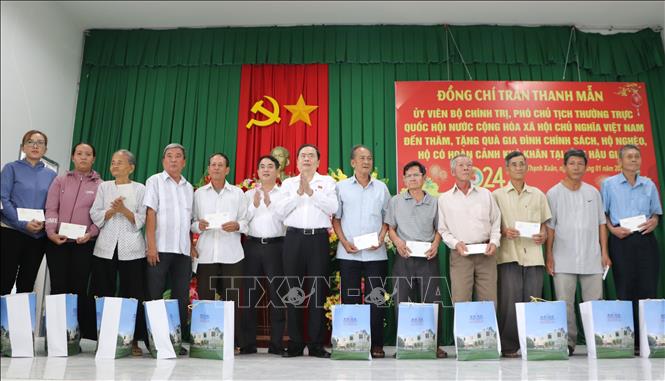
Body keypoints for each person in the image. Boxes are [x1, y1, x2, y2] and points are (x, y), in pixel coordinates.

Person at [275, 144, 338, 358]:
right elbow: (280, 211)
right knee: (293, 290)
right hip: (293, 238)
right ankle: (295, 341)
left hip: (318, 238)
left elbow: (333, 208)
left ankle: (316, 343)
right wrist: (298, 194)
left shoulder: (327, 182)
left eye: (312, 156)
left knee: (317, 291)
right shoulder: (288, 183)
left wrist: (311, 192)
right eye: (303, 155)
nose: (307, 159)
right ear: (297, 160)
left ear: (318, 162)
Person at [546, 148, 610, 356]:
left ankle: (596, 340)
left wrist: (605, 253)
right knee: (565, 303)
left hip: (592, 256)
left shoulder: (593, 192)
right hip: (562, 256)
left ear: (585, 167)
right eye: (571, 163)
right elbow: (550, 227)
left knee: (594, 302)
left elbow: (602, 224)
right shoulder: (553, 193)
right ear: (564, 166)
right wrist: (549, 255)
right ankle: (569, 342)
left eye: (580, 164)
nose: (576, 167)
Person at [600, 144, 661, 356]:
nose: (634, 160)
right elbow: (603, 215)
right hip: (621, 240)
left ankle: (649, 340)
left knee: (648, 288)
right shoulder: (609, 185)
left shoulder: (649, 184)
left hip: (645, 240)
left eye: (637, 156)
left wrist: (654, 221)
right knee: (625, 289)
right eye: (629, 157)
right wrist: (612, 230)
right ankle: (630, 340)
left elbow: (655, 214)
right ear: (620, 161)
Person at [332, 145, 391, 358]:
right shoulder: (342, 187)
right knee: (350, 298)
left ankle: (376, 344)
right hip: (349, 253)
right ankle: (352, 342)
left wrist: (382, 237)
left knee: (376, 299)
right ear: (352, 162)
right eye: (362, 158)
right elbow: (336, 219)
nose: (366, 161)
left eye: (369, 158)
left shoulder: (381, 189)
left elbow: (388, 218)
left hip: (376, 254)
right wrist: (344, 242)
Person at [492, 151, 551, 358]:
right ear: (507, 169)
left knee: (533, 300)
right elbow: (492, 225)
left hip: (534, 255)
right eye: (514, 165)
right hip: (508, 255)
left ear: (527, 168)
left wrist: (543, 235)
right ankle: (509, 346)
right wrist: (503, 231)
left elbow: (544, 225)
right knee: (509, 302)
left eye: (522, 164)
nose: (518, 167)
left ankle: (533, 342)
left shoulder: (538, 194)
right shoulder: (497, 195)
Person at [89, 149, 147, 356]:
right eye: (113, 162)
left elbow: (143, 218)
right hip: (105, 247)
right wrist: (111, 211)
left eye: (120, 162)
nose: (115, 166)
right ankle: (103, 338)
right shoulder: (104, 187)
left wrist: (123, 210)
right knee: (103, 291)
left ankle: (132, 340)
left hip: (132, 248)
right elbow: (95, 213)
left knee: (133, 294)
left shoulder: (140, 189)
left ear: (131, 167)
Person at [386, 160, 447, 359]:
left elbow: (440, 229)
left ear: (424, 178)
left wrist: (436, 245)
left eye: (416, 175)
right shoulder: (395, 201)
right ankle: (404, 344)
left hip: (428, 258)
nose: (412, 179)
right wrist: (397, 243)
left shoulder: (435, 202)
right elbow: (390, 228)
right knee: (402, 302)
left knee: (432, 302)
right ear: (404, 179)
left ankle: (433, 344)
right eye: (409, 176)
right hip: (403, 257)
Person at [191, 153, 248, 351]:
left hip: (232, 254)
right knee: (205, 299)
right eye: (213, 164)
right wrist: (198, 226)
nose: (216, 168)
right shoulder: (198, 194)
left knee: (232, 301)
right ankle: (205, 343)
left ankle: (232, 343)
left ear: (227, 170)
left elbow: (246, 222)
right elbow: (190, 223)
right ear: (208, 169)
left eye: (220, 165)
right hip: (206, 254)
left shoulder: (238, 193)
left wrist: (237, 225)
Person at [45, 142, 102, 340]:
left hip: (83, 244)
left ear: (93, 158)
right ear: (73, 157)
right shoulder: (60, 181)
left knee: (78, 288)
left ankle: (72, 337)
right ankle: (54, 337)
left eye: (88, 154)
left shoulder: (100, 185)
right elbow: (51, 208)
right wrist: (51, 231)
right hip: (57, 242)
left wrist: (91, 234)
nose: (83, 157)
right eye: (79, 153)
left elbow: (100, 217)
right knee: (58, 287)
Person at [143, 143, 194, 355]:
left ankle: (175, 341)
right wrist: (151, 246)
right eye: (169, 156)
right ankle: (154, 341)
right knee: (154, 295)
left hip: (182, 251)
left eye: (178, 156)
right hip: (160, 248)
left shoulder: (189, 187)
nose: (174, 160)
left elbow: (189, 220)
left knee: (181, 297)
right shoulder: (154, 181)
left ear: (184, 162)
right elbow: (151, 213)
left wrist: (191, 246)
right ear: (164, 161)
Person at [437, 154, 501, 305]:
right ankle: (463, 330)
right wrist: (455, 244)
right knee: (461, 301)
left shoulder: (486, 194)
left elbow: (496, 221)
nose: (466, 168)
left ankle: (488, 330)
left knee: (489, 300)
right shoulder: (444, 199)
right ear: (452, 172)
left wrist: (494, 242)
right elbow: (443, 230)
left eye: (469, 165)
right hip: (461, 254)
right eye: (461, 165)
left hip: (486, 253)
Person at [241, 155, 287, 355]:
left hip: (277, 246)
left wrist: (270, 204)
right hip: (252, 246)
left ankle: (276, 344)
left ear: (277, 171)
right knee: (249, 295)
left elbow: (286, 219)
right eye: (262, 167)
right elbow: (242, 222)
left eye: (270, 166)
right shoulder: (248, 194)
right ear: (257, 172)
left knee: (277, 295)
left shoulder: (284, 193)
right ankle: (248, 343)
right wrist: (254, 204)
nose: (266, 170)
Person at [1, 130, 57, 295]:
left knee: (27, 283)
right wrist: (23, 224)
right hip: (11, 232)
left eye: (40, 143)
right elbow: (3, 200)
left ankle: (20, 320)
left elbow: (52, 205)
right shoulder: (10, 168)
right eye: (30, 142)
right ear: (23, 147)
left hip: (37, 236)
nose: (35, 145)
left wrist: (45, 224)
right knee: (4, 279)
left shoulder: (52, 175)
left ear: (45, 150)